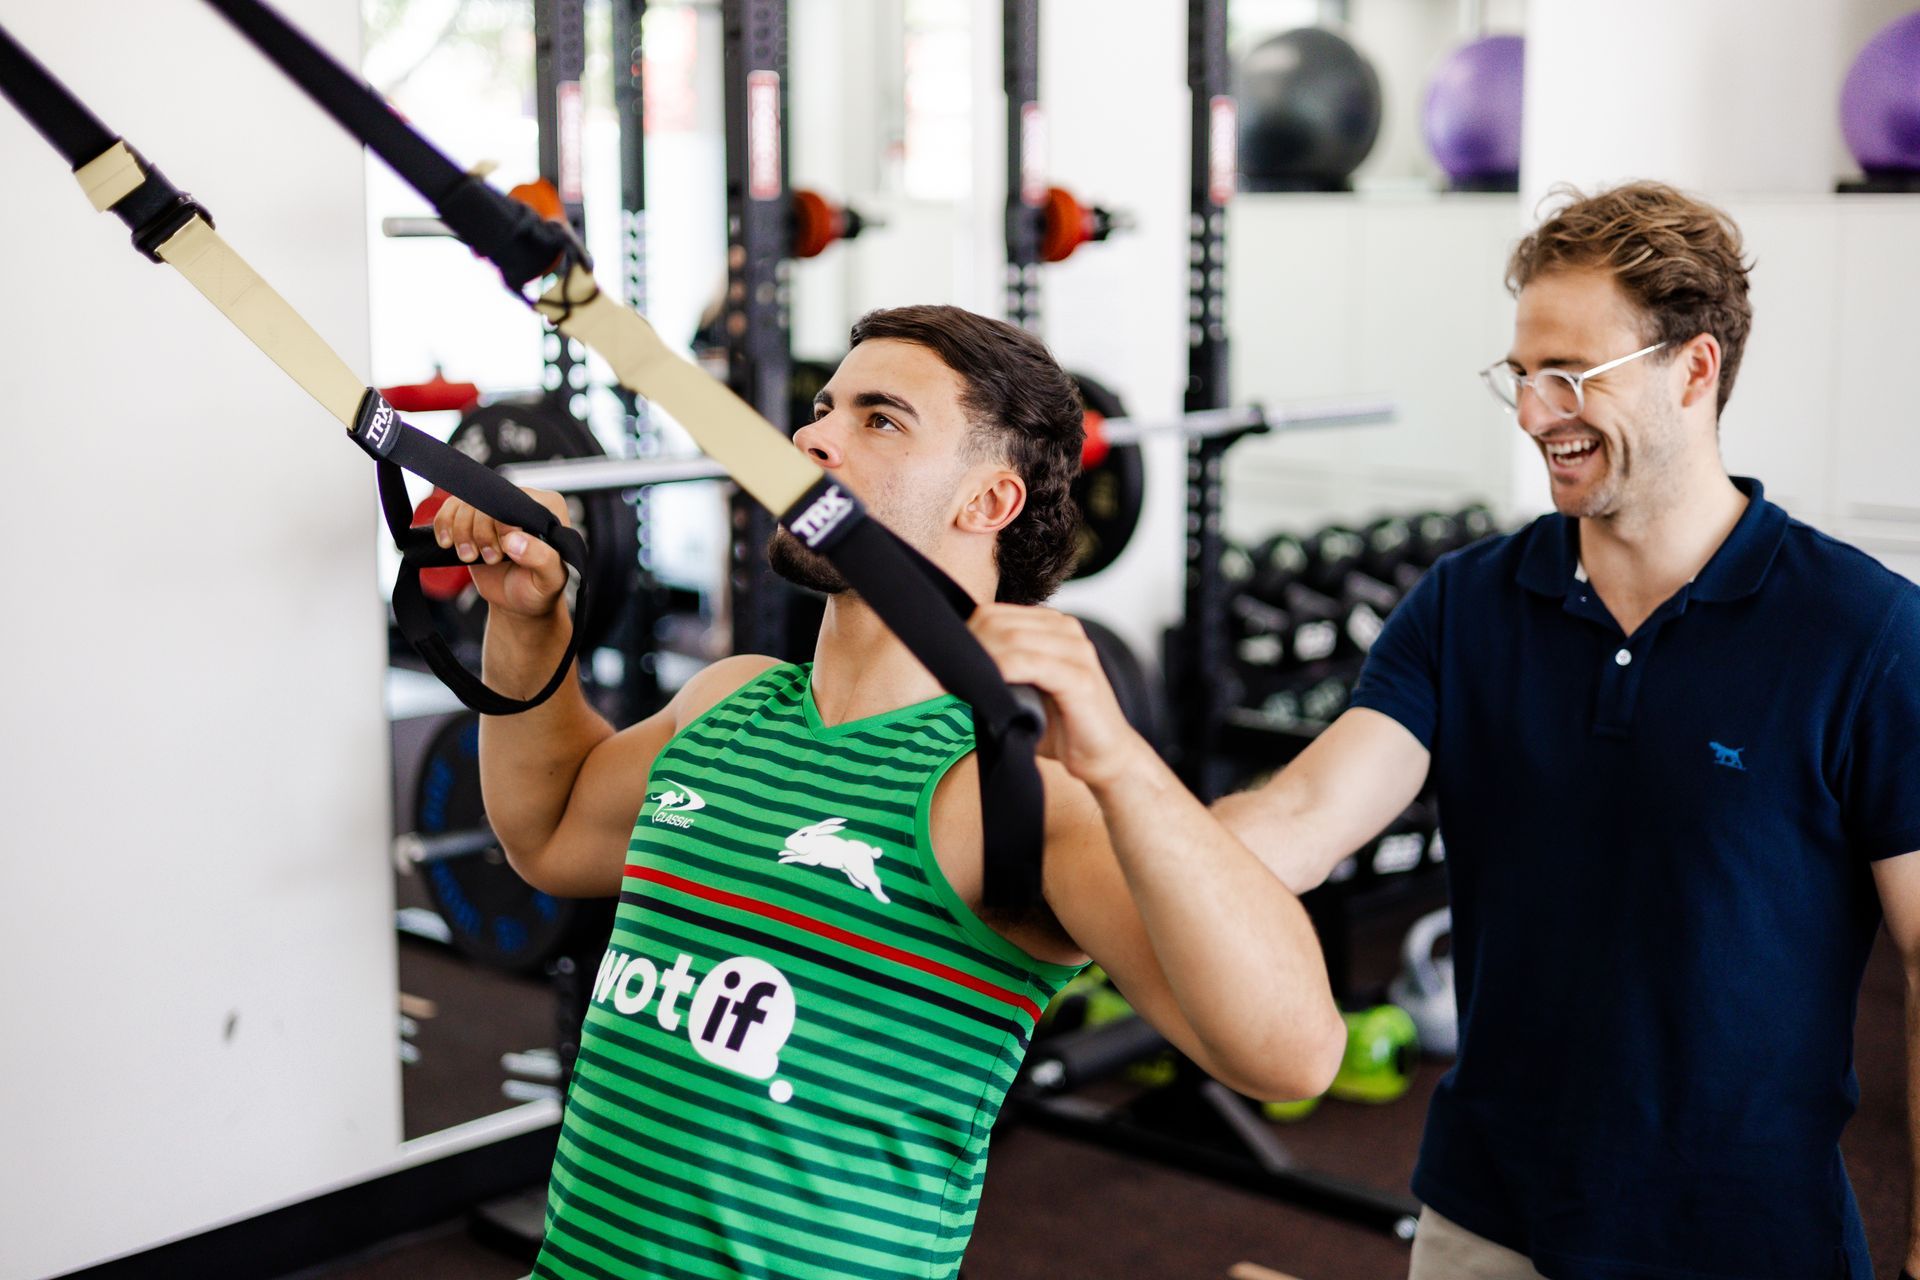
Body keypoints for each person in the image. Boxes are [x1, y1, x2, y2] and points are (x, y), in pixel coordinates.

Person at [431, 304, 1347, 1280]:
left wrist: (1121, 761)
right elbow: (550, 832)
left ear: (989, 502)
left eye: (880, 419)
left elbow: (1293, 1053)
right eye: (824, 408)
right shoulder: (729, 700)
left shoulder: (1007, 795)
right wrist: (530, 619)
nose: (812, 435)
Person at [1216, 181, 1920, 1280]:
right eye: (1522, 374)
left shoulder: (1863, 630)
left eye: (1572, 377)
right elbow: (1307, 815)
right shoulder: (1465, 603)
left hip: (1745, 1236)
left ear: (1696, 370)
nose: (1535, 411)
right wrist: (1104, 828)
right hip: (1487, 1212)